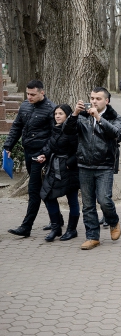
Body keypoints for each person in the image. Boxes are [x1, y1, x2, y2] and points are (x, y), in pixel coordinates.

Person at [65, 87, 121, 250]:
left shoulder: (114, 118)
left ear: (107, 101)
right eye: (92, 98)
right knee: (88, 204)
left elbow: (115, 134)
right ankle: (92, 236)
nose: (93, 101)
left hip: (104, 165)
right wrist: (75, 114)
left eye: (98, 98)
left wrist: (98, 118)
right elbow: (66, 131)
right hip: (84, 164)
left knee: (104, 199)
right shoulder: (82, 116)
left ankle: (113, 221)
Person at [4, 80, 56, 237]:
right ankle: (57, 220)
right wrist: (8, 147)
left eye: (33, 94)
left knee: (33, 190)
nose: (29, 97)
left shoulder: (51, 109)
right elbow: (16, 127)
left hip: (41, 156)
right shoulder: (25, 106)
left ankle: (26, 226)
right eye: (28, 94)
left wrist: (45, 153)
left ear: (42, 92)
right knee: (42, 189)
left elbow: (55, 136)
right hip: (28, 151)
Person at [36, 104, 81, 242]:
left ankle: (72, 230)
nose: (57, 116)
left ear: (67, 115)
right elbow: (51, 145)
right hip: (55, 167)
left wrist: (69, 163)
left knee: (72, 199)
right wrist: (44, 154)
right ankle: (56, 227)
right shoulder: (55, 128)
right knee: (47, 195)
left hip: (69, 169)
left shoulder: (72, 130)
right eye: (56, 113)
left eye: (60, 113)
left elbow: (79, 150)